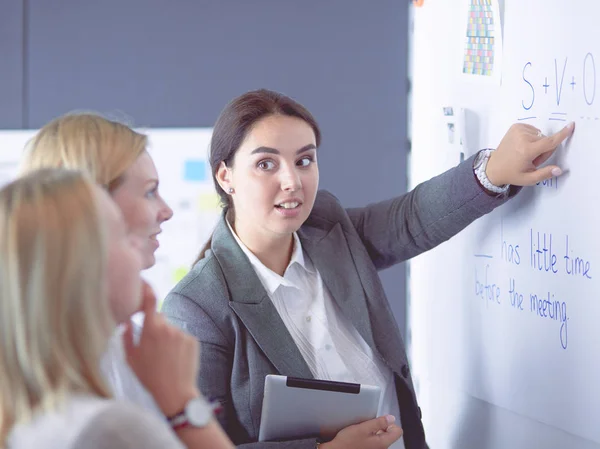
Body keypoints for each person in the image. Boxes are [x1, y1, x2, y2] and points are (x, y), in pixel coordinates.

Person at [161, 89, 574, 449]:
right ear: (225, 176)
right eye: (266, 164)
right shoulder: (197, 308)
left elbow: (410, 219)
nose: (292, 181)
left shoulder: (327, 224)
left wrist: (492, 171)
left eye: (304, 161)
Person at [0, 169, 234, 449]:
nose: (137, 243)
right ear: (81, 268)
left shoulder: (36, 416)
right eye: (122, 234)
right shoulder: (106, 429)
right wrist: (181, 400)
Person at [19, 112, 173, 414]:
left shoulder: (123, 342)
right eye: (150, 192)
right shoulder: (48, 363)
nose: (166, 211)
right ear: (91, 204)